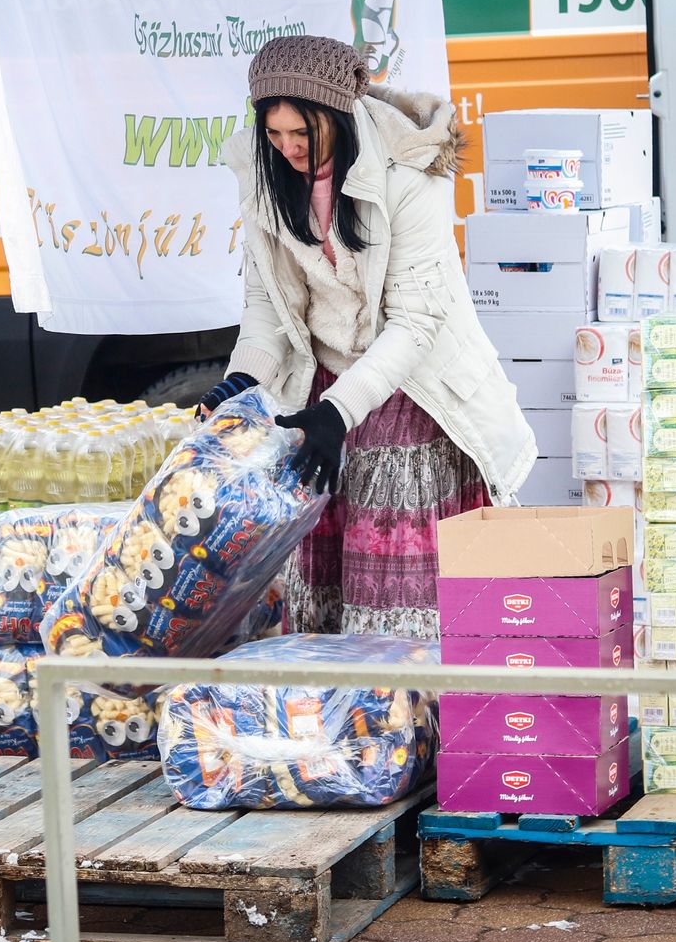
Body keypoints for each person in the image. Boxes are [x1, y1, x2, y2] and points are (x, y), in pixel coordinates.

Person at [197, 34, 535, 638]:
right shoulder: (261, 172)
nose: (289, 149)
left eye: (303, 134)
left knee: (396, 589)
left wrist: (338, 411)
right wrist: (243, 379)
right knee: (324, 574)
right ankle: (339, 725)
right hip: (326, 379)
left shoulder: (410, 169)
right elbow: (268, 303)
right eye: (275, 135)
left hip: (413, 385)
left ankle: (414, 719)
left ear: (338, 115)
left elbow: (415, 323)